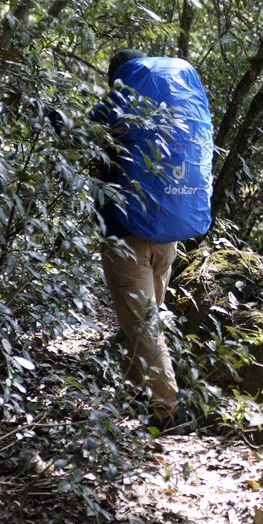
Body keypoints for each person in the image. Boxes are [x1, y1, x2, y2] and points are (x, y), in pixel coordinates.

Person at [90, 49, 213, 431]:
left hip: (127, 233)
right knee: (147, 321)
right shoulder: (178, 102)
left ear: (117, 76)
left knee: (142, 325)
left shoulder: (120, 100)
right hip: (170, 230)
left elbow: (78, 137)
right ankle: (134, 395)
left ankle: (168, 411)